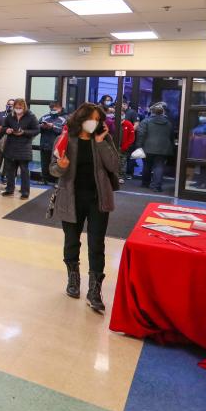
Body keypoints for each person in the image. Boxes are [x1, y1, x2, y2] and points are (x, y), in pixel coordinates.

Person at [50, 103, 119, 313]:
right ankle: (73, 278)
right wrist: (60, 167)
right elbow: (53, 169)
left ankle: (94, 290)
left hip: (98, 199)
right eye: (92, 119)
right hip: (71, 198)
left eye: (99, 119)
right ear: (81, 119)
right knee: (71, 241)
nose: (95, 123)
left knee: (96, 244)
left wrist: (100, 143)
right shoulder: (66, 138)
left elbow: (114, 166)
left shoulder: (103, 139)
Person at [1, 98, 40, 199]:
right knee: (10, 170)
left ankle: (25, 192)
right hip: (11, 147)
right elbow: (4, 127)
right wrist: (7, 130)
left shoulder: (31, 116)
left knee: (24, 171)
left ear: (24, 107)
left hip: (24, 147)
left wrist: (24, 132)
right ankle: (9, 190)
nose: (18, 109)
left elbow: (36, 130)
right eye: (16, 107)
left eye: (20, 107)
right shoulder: (10, 116)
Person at [136, 103, 174, 193]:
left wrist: (139, 146)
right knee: (159, 166)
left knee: (147, 165)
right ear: (163, 112)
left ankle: (145, 183)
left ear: (151, 112)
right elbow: (171, 136)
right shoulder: (168, 123)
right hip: (163, 149)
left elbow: (141, 134)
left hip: (148, 147)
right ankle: (157, 186)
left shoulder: (146, 121)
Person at [39, 102, 67, 185]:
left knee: (56, 164)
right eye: (51, 109)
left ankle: (57, 181)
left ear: (60, 108)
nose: (53, 110)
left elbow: (65, 131)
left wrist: (53, 127)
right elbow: (36, 128)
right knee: (44, 163)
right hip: (44, 144)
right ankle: (44, 180)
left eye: (55, 109)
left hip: (57, 146)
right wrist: (42, 127)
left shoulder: (65, 118)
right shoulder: (44, 117)